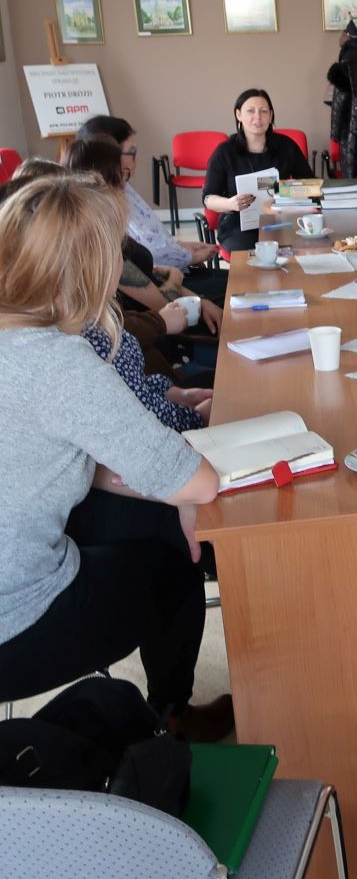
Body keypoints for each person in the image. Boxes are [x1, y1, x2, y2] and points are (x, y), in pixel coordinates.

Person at [0, 175, 230, 738]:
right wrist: (175, 490)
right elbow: (198, 484)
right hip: (15, 621)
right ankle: (170, 715)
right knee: (178, 556)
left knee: (154, 518)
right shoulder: (58, 361)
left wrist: (163, 488)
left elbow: (61, 459)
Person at [63, 136, 223, 336]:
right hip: (167, 330)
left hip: (172, 311)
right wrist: (175, 277)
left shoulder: (113, 237)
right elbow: (161, 305)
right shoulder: (102, 251)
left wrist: (200, 299)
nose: (125, 187)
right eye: (120, 175)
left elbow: (150, 278)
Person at [77, 115, 227, 303]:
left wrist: (181, 249)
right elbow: (158, 302)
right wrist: (187, 262)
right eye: (131, 153)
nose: (135, 159)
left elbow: (148, 251)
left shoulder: (119, 192)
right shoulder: (102, 225)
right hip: (166, 296)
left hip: (169, 286)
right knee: (238, 289)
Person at [202, 88, 314, 253]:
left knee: (305, 243)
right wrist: (230, 204)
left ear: (271, 115)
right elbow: (208, 198)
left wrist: (292, 190)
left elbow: (310, 184)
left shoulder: (286, 146)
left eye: (263, 111)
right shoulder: (225, 152)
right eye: (250, 111)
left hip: (281, 220)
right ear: (238, 115)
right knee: (251, 250)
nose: (258, 117)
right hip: (239, 225)